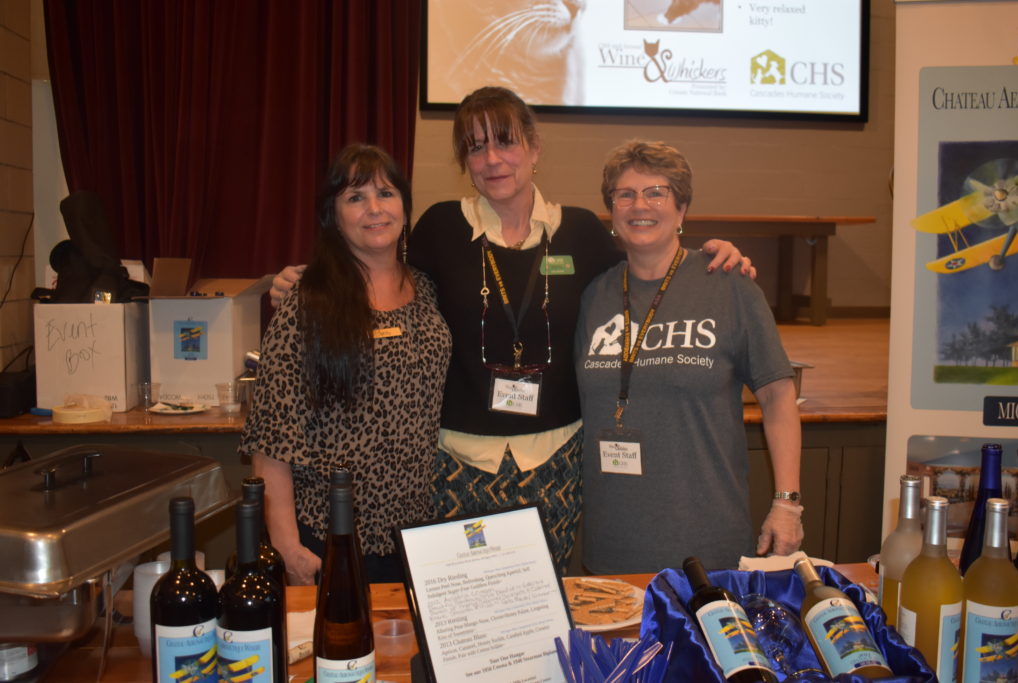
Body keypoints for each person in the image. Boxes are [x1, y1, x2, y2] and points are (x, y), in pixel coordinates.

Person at [268, 86, 754, 574]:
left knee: (541, 600)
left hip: (556, 464)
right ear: (465, 161)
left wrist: (710, 256)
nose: (493, 159)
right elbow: (376, 269)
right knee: (463, 602)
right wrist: (308, 280)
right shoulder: (440, 228)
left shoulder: (581, 232)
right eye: (476, 147)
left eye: (505, 142)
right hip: (453, 466)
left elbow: (650, 271)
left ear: (534, 148)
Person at [574, 140, 802, 573]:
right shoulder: (593, 296)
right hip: (612, 545)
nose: (640, 205)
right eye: (625, 194)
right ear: (612, 211)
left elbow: (778, 396)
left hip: (708, 542)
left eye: (656, 192)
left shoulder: (728, 283)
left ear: (681, 209)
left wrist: (787, 504)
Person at [240, 144, 451, 585]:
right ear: (333, 216)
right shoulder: (307, 302)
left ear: (405, 206)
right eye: (356, 197)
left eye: (386, 193)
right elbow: (272, 437)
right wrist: (287, 547)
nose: (374, 208)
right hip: (329, 538)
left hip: (416, 537)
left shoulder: (428, 290)